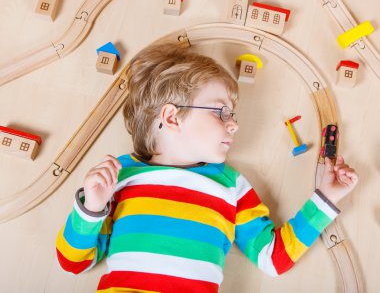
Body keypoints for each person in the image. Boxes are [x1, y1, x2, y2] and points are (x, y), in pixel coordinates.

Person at [56, 41, 359, 293]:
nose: (235, 124)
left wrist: (326, 198)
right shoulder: (120, 175)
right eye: (221, 112)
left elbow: (273, 259)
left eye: (233, 113)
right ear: (172, 117)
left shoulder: (231, 186)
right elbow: (72, 262)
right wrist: (91, 208)